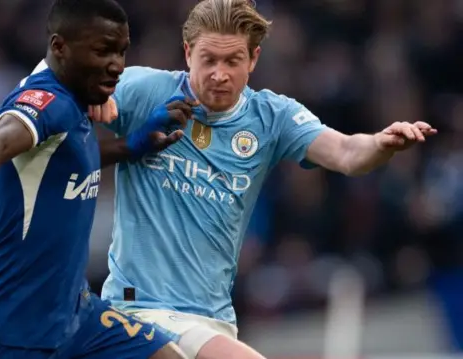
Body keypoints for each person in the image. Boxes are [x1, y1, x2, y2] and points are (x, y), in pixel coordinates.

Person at [88, 0, 438, 358]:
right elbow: (56, 84)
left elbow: (346, 153)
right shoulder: (144, 90)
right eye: (208, 59)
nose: (219, 74)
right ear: (188, 52)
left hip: (213, 319)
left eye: (232, 61)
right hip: (139, 310)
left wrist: (381, 143)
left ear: (253, 59)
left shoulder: (272, 117)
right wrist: (84, 101)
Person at [0, 0, 192, 358]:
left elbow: (62, 165)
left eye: (121, 51)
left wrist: (129, 146)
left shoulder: (75, 96)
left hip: (72, 314)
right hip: (0, 329)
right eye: (103, 51)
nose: (117, 65)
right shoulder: (47, 101)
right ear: (59, 47)